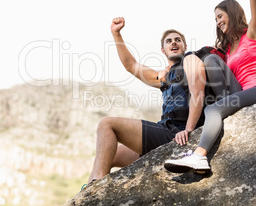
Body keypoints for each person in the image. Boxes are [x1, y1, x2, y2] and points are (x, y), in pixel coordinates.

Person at [164, 0, 256, 174]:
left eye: (220, 16)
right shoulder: (227, 50)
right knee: (211, 60)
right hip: (242, 93)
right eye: (215, 19)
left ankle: (199, 156)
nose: (218, 22)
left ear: (232, 13)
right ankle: (219, 115)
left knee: (214, 108)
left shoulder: (253, 33)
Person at [82, 16, 208, 189]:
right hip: (164, 129)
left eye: (178, 40)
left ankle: (96, 189)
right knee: (107, 154)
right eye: (169, 41)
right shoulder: (162, 76)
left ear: (184, 46)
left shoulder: (191, 62)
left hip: (178, 133)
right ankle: (88, 189)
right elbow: (131, 65)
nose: (174, 43)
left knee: (107, 124)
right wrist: (116, 34)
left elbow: (197, 95)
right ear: (163, 50)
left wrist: (189, 129)